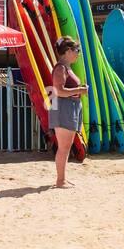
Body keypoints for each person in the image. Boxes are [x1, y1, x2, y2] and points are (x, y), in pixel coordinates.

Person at [48, 36, 87, 189]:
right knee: (64, 147)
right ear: (68, 51)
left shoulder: (66, 67)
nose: (78, 53)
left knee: (66, 146)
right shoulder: (60, 68)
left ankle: (62, 179)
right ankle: (60, 181)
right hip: (64, 107)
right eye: (76, 50)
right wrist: (80, 90)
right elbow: (58, 91)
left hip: (68, 106)